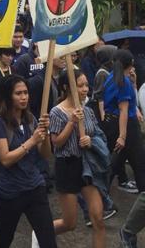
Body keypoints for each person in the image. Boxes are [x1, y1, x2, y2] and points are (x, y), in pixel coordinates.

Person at [0, 75, 56, 248]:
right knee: (5, 236)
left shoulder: (30, 119)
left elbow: (45, 154)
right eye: (18, 93)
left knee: (48, 239)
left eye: (26, 92)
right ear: (7, 96)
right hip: (10, 192)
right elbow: (5, 159)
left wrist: (45, 134)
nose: (24, 97)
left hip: (34, 186)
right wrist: (32, 141)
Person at [48, 70, 106, 248]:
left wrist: (90, 140)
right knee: (69, 223)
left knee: (98, 219)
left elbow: (97, 134)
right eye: (80, 85)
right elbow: (56, 143)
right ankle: (41, 231)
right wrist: (72, 122)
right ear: (67, 87)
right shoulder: (57, 112)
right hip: (67, 166)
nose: (85, 89)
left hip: (87, 166)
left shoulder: (87, 111)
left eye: (86, 85)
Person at [102, 49, 145, 192]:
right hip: (126, 127)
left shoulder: (112, 77)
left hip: (112, 124)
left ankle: (101, 195)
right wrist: (123, 136)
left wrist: (134, 84)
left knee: (115, 163)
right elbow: (123, 110)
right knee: (139, 163)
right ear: (131, 63)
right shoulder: (123, 81)